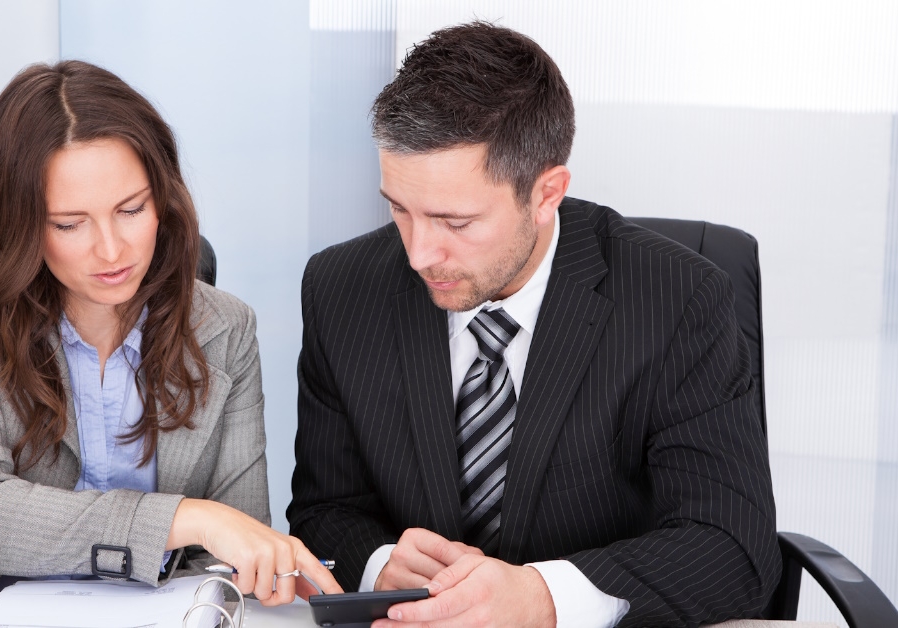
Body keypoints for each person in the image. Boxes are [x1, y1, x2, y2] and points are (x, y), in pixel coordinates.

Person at [288, 22, 780, 627]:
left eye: (456, 222)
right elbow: (324, 510)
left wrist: (542, 598)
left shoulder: (679, 299)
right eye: (399, 209)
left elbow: (732, 548)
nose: (418, 254)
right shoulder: (342, 289)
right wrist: (380, 562)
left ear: (547, 192)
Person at [0, 60, 339, 604]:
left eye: (132, 209)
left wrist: (260, 561)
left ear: (163, 199)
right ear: (19, 223)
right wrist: (186, 517)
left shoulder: (225, 327)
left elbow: (235, 540)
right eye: (70, 224)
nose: (112, 250)